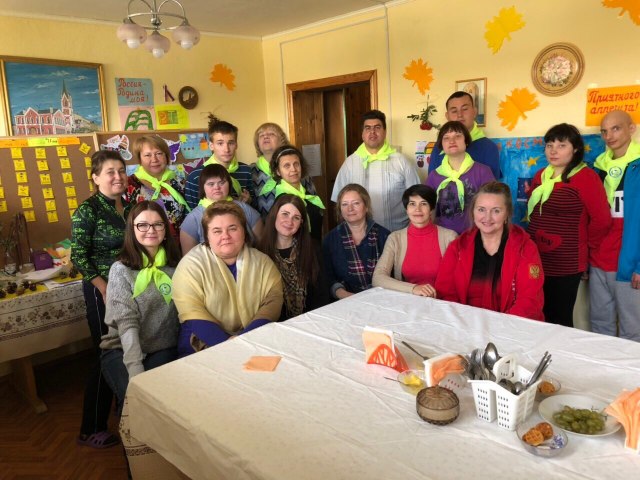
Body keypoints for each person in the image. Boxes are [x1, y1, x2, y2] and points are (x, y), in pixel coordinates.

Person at [71, 150, 130, 449]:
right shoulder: (88, 210)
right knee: (105, 353)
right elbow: (79, 255)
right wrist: (104, 288)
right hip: (101, 290)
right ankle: (91, 428)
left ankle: (122, 408)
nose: (118, 176)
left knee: (127, 348)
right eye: (110, 172)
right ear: (95, 178)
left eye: (121, 170)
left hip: (129, 285)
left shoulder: (128, 206)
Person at [100, 201, 182, 411]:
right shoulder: (120, 270)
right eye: (143, 225)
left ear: (165, 229)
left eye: (157, 224)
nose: (151, 230)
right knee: (134, 399)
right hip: (121, 348)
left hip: (162, 347)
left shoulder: (177, 266)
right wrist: (136, 371)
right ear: (132, 229)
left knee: (157, 402)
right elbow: (127, 324)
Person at [527, 123, 611, 328]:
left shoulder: (586, 177)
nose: (553, 150)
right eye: (549, 145)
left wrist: (586, 250)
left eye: (561, 145)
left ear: (575, 149)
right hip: (536, 258)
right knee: (536, 314)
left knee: (559, 319)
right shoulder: (541, 175)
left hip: (567, 262)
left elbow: (601, 220)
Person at [173, 202, 283, 357]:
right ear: (207, 236)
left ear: (244, 231)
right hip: (202, 343)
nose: (225, 236)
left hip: (254, 338)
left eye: (232, 228)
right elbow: (193, 312)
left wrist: (245, 340)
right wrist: (229, 345)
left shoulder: (263, 262)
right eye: (217, 231)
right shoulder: (190, 266)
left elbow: (272, 302)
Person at [435, 181, 544, 321]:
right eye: (481, 209)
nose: (487, 217)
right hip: (466, 324)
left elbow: (530, 302)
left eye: (496, 211)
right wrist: (465, 323)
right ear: (473, 212)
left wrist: (499, 326)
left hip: (511, 327)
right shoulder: (458, 247)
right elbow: (446, 294)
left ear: (507, 214)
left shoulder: (526, 248)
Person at [590, 110, 640, 341]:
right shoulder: (597, 168)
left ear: (631, 129)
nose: (609, 136)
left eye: (616, 128)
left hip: (628, 265)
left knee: (633, 330)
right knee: (600, 327)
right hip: (598, 261)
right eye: (604, 131)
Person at [331, 110, 420, 232]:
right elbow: (338, 201)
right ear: (362, 134)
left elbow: (417, 197)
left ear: (385, 132)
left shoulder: (401, 161)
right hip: (360, 236)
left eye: (377, 127)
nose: (372, 132)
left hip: (396, 233)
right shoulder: (349, 163)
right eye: (367, 128)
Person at [372, 185, 457, 296]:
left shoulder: (450, 237)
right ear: (406, 210)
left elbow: (459, 278)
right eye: (412, 204)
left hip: (442, 302)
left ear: (431, 209)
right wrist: (413, 288)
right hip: (407, 301)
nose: (418, 209)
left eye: (423, 204)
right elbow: (377, 278)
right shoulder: (395, 238)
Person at [258, 194, 329, 320]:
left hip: (311, 320)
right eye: (285, 214)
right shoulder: (260, 252)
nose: (289, 222)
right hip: (275, 324)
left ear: (301, 223)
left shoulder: (313, 248)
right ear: (274, 215)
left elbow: (322, 294)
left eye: (296, 218)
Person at [426, 121, 495, 234]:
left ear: (466, 141)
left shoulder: (483, 172)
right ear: (441, 145)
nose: (452, 141)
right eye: (446, 138)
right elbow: (428, 210)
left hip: (475, 236)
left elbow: (493, 205)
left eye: (457, 136)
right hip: (443, 237)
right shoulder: (434, 176)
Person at [323, 184, 390, 299]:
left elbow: (391, 275)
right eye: (344, 204)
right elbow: (328, 277)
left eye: (356, 203)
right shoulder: (330, 239)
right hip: (344, 301)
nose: (350, 209)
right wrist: (347, 296)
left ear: (366, 206)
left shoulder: (385, 236)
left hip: (382, 298)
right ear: (340, 209)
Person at [180, 164, 263, 254]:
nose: (217, 187)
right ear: (202, 187)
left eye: (222, 183)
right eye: (211, 184)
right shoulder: (193, 218)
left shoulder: (245, 209)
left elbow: (261, 244)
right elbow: (189, 257)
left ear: (229, 184)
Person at [124, 135, 189, 242]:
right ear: (140, 159)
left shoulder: (179, 183)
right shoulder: (129, 185)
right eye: (147, 155)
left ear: (166, 156)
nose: (154, 159)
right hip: (144, 246)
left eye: (159, 153)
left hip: (178, 245)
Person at [251, 123, 319, 219]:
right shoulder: (251, 171)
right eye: (261, 135)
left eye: (271, 134)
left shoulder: (296, 168)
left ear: (282, 140)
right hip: (263, 226)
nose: (265, 136)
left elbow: (313, 200)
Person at [184, 115, 254, 209]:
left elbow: (254, 205)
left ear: (236, 145)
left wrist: (248, 202)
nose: (226, 149)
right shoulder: (195, 176)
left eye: (231, 143)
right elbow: (192, 212)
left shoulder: (246, 170)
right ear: (211, 146)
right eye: (220, 143)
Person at [428, 92, 501, 179]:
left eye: (465, 109)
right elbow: (431, 182)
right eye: (454, 111)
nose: (459, 115)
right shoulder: (440, 146)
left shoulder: (488, 147)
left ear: (474, 112)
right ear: (447, 116)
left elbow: (492, 186)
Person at [270, 145, 325, 241]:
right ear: (278, 171)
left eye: (296, 164)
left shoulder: (306, 193)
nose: (293, 169)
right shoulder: (283, 200)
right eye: (287, 166)